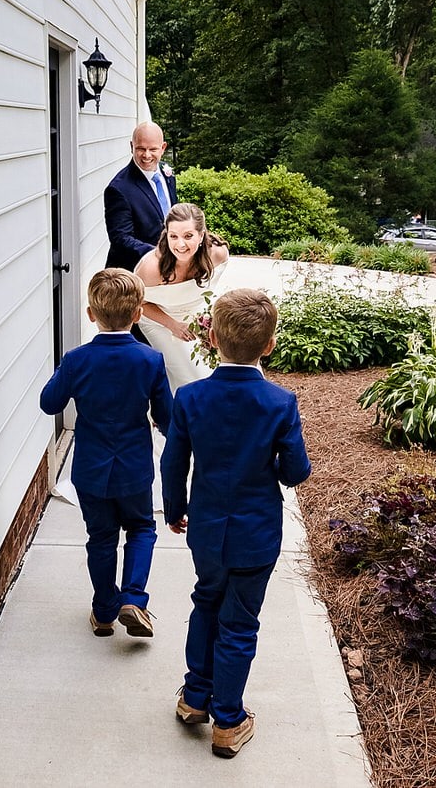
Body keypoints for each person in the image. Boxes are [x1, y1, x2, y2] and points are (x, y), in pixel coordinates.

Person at [161, 288, 311, 758]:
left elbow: (172, 463)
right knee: (240, 623)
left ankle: (193, 697)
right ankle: (228, 720)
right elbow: (295, 471)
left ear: (211, 337)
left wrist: (174, 508)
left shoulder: (190, 397)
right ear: (269, 345)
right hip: (256, 533)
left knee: (206, 601)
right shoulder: (279, 402)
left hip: (205, 528)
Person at [39, 269, 173, 637]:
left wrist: (67, 371)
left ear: (90, 314)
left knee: (100, 538)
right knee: (142, 529)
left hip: (91, 469)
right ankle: (133, 597)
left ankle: (103, 611)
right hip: (133, 468)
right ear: (137, 314)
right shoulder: (150, 360)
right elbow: (166, 418)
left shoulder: (77, 359)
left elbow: (49, 403)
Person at [135, 203, 231, 392]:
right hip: (159, 320)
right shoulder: (150, 268)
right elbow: (138, 304)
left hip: (194, 317)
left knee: (222, 369)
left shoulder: (218, 255)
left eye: (188, 236)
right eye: (174, 236)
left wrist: (207, 317)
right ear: (166, 235)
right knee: (191, 376)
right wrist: (172, 325)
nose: (180, 244)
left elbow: (207, 290)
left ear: (201, 235)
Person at [104, 121, 178, 271]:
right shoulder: (118, 189)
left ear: (163, 148)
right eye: (140, 149)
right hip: (133, 273)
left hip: (168, 267)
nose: (147, 155)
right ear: (131, 146)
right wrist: (159, 253)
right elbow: (120, 238)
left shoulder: (167, 173)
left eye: (153, 149)